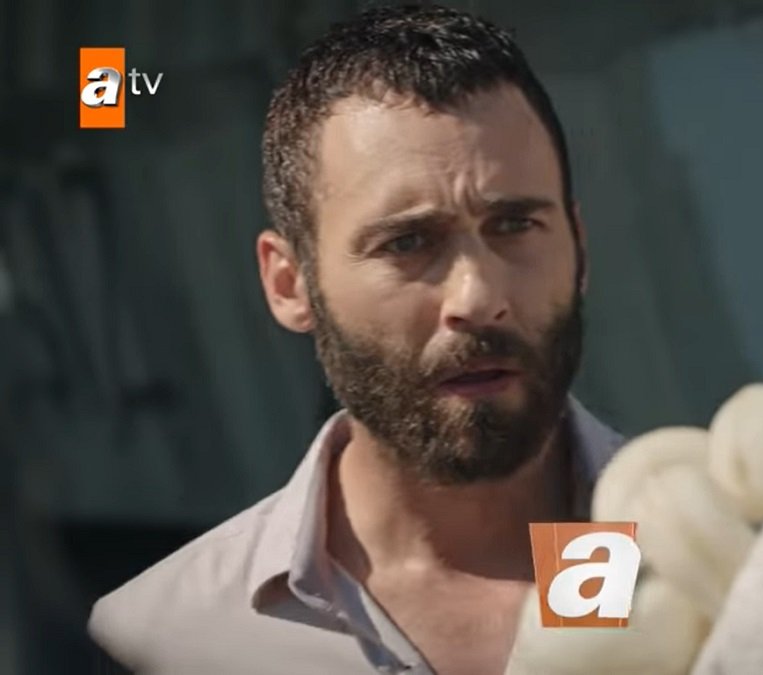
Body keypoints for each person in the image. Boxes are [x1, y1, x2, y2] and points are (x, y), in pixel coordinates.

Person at [87, 5, 624, 674]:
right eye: (407, 242)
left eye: (515, 226)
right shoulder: (158, 643)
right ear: (289, 284)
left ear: (578, 245)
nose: (477, 298)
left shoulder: (726, 565)